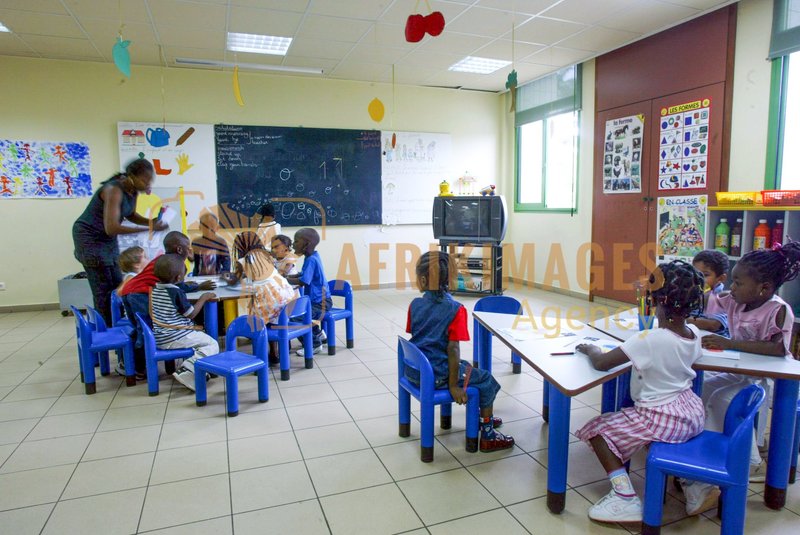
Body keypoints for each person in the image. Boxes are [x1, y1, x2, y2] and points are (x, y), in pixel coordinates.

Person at [574, 260, 707, 522]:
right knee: (633, 425)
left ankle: (625, 499)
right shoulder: (694, 332)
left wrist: (590, 349)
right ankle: (694, 485)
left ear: (656, 299)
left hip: (662, 417)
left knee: (597, 431)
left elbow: (602, 363)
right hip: (690, 412)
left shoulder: (649, 339)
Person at [695, 241, 800, 487]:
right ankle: (716, 446)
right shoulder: (735, 300)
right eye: (732, 281)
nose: (733, 287)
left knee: (726, 400)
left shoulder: (778, 310)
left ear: (763, 288)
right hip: (738, 370)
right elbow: (713, 298)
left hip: (766, 378)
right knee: (704, 390)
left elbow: (777, 348)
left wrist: (730, 343)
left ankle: (752, 461)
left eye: (738, 283)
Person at [406, 251, 514, 453]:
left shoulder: (415, 305)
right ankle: (488, 434)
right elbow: (453, 349)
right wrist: (454, 386)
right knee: (486, 380)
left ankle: (483, 416)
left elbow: (420, 337)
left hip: (415, 371)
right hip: (438, 374)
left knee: (468, 368)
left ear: (422, 280)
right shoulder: (456, 309)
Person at [72, 158, 167, 324]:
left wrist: (151, 222)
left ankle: (117, 324)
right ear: (132, 176)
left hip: (106, 239)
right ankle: (107, 332)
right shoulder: (113, 190)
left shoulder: (133, 191)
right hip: (89, 238)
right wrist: (148, 229)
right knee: (102, 289)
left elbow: (130, 214)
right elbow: (112, 227)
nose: (147, 184)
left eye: (150, 180)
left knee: (117, 284)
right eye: (144, 180)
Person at [119, 231, 215, 376]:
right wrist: (199, 287)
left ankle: (126, 363)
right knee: (146, 330)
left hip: (130, 292)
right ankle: (136, 368)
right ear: (179, 249)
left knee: (142, 329)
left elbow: (174, 284)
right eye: (188, 247)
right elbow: (178, 287)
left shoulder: (165, 260)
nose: (190, 250)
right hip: (139, 294)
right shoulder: (174, 263)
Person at [150, 254, 219, 391]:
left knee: (200, 335)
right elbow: (191, 313)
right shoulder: (175, 292)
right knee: (212, 344)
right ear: (179, 278)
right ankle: (188, 368)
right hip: (175, 336)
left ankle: (199, 370)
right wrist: (203, 298)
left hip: (159, 336)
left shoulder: (154, 289)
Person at [231, 232, 296, 363]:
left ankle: (263, 355)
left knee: (255, 318)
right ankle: (276, 350)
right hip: (289, 297)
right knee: (271, 315)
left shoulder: (243, 261)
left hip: (271, 300)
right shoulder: (267, 256)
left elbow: (235, 280)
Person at [287, 228, 330, 354]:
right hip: (319, 300)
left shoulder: (311, 259)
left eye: (296, 241)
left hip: (320, 303)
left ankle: (314, 345)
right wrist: (288, 277)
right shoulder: (312, 256)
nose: (293, 244)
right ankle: (318, 334)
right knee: (300, 315)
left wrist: (285, 281)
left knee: (295, 318)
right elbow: (304, 275)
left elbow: (304, 281)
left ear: (306, 244)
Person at [686, 249, 729, 337]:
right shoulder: (694, 290)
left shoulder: (721, 297)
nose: (698, 278)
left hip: (716, 343)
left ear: (720, 278)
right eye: (694, 273)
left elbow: (713, 325)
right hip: (695, 337)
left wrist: (680, 320)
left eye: (705, 275)